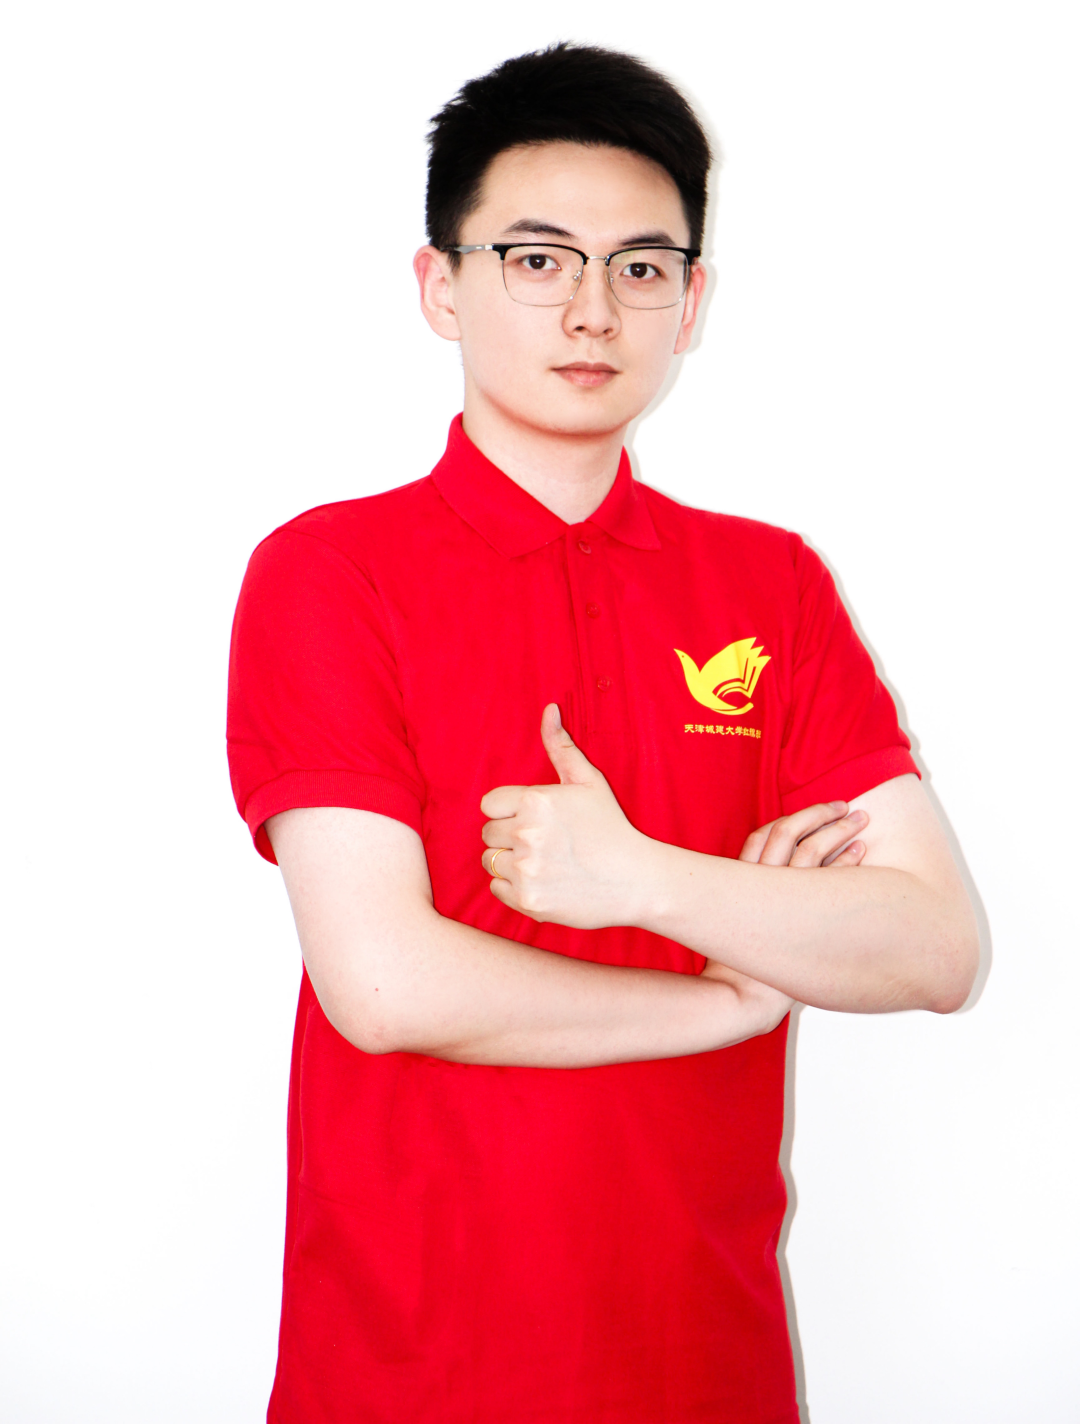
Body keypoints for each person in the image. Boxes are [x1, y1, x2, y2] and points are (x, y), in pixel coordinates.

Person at [227, 41, 978, 1424]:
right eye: (537, 259)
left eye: (640, 267)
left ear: (692, 303)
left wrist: (641, 879)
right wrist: (725, 997)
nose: (591, 309)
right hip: (408, 1371)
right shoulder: (329, 574)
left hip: (710, 1364)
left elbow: (934, 947)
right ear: (439, 285)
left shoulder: (769, 586)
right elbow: (384, 984)